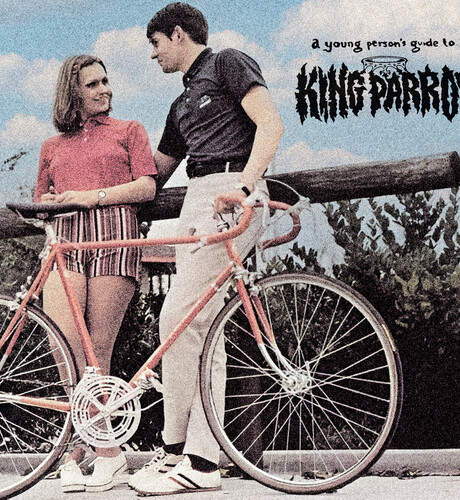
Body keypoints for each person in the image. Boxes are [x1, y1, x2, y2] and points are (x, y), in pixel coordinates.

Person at [128, 3, 284, 496]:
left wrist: (245, 186)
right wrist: (89, 193)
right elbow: (154, 174)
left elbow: (271, 124)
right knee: (185, 322)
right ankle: (177, 451)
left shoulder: (227, 62)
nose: (153, 55)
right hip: (197, 198)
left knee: (184, 318)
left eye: (156, 44)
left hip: (231, 190)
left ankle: (199, 461)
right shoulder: (181, 103)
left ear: (178, 34)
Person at [34, 54, 158, 493]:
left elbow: (147, 186)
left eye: (105, 81)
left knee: (97, 353)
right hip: (66, 239)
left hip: (114, 233)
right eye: (93, 84)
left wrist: (92, 196)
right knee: (65, 347)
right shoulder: (51, 146)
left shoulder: (129, 130)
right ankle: (99, 450)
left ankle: (85, 453)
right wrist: (52, 204)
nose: (105, 89)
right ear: (73, 92)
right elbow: (41, 198)